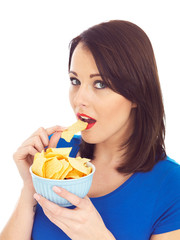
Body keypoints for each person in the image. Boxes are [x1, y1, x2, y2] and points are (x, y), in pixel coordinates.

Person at [1, 20, 180, 240]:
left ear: (137, 94)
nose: (79, 99)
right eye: (75, 80)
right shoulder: (56, 151)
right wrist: (32, 184)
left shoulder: (171, 185)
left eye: (100, 84)